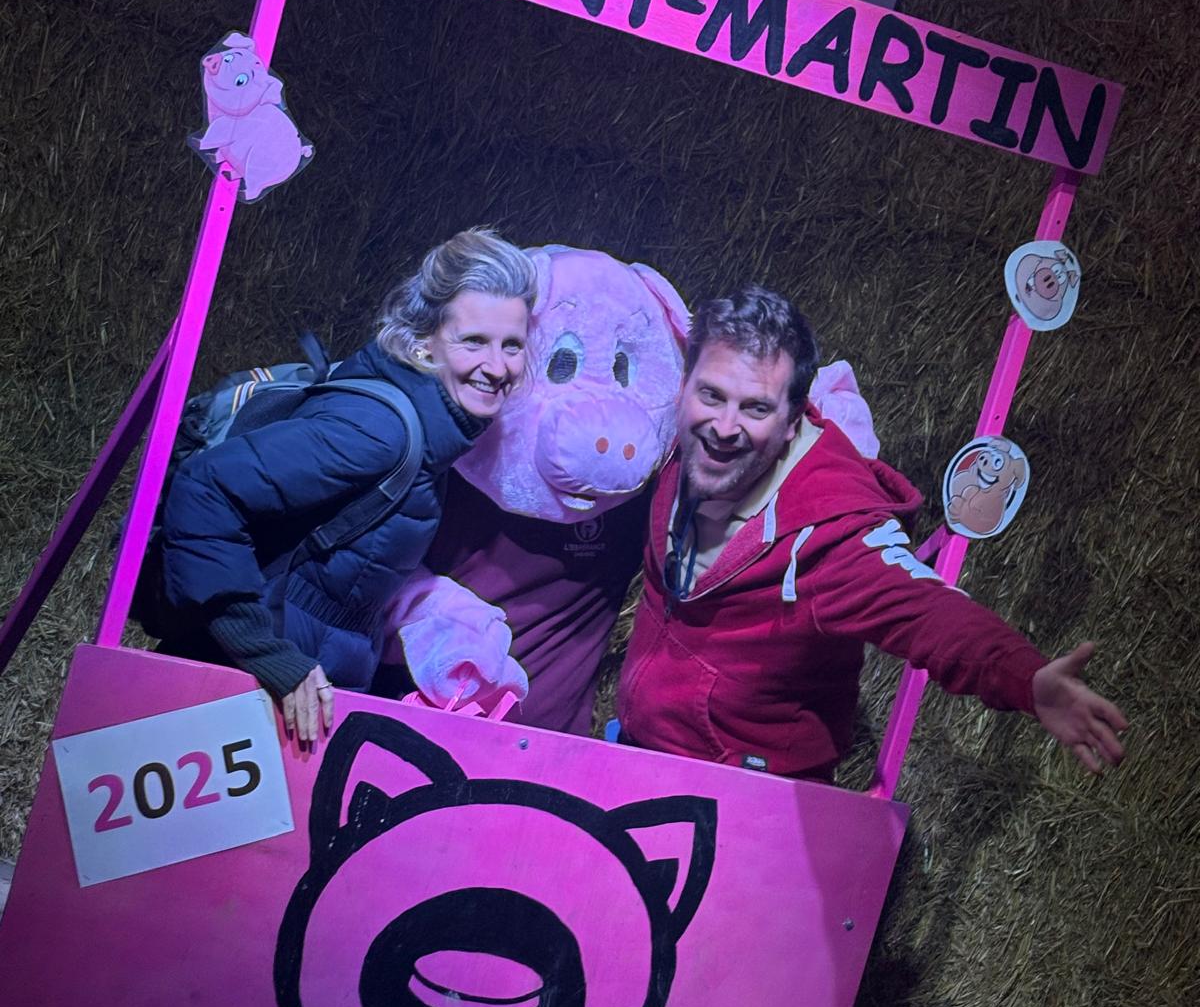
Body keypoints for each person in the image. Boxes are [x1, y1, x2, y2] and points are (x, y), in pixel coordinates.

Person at [616, 285, 1128, 781]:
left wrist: (1024, 678)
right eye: (712, 395)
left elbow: (924, 610)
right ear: (685, 386)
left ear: (792, 420)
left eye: (756, 408)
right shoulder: (680, 449)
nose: (725, 426)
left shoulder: (829, 533)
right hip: (641, 757)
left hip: (746, 791)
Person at [157, 226, 536, 744]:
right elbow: (206, 488)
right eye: (474, 341)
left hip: (289, 696)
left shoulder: (432, 432)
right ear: (424, 342)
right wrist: (266, 653)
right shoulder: (382, 430)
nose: (497, 367)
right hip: (238, 691)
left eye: (512, 345)